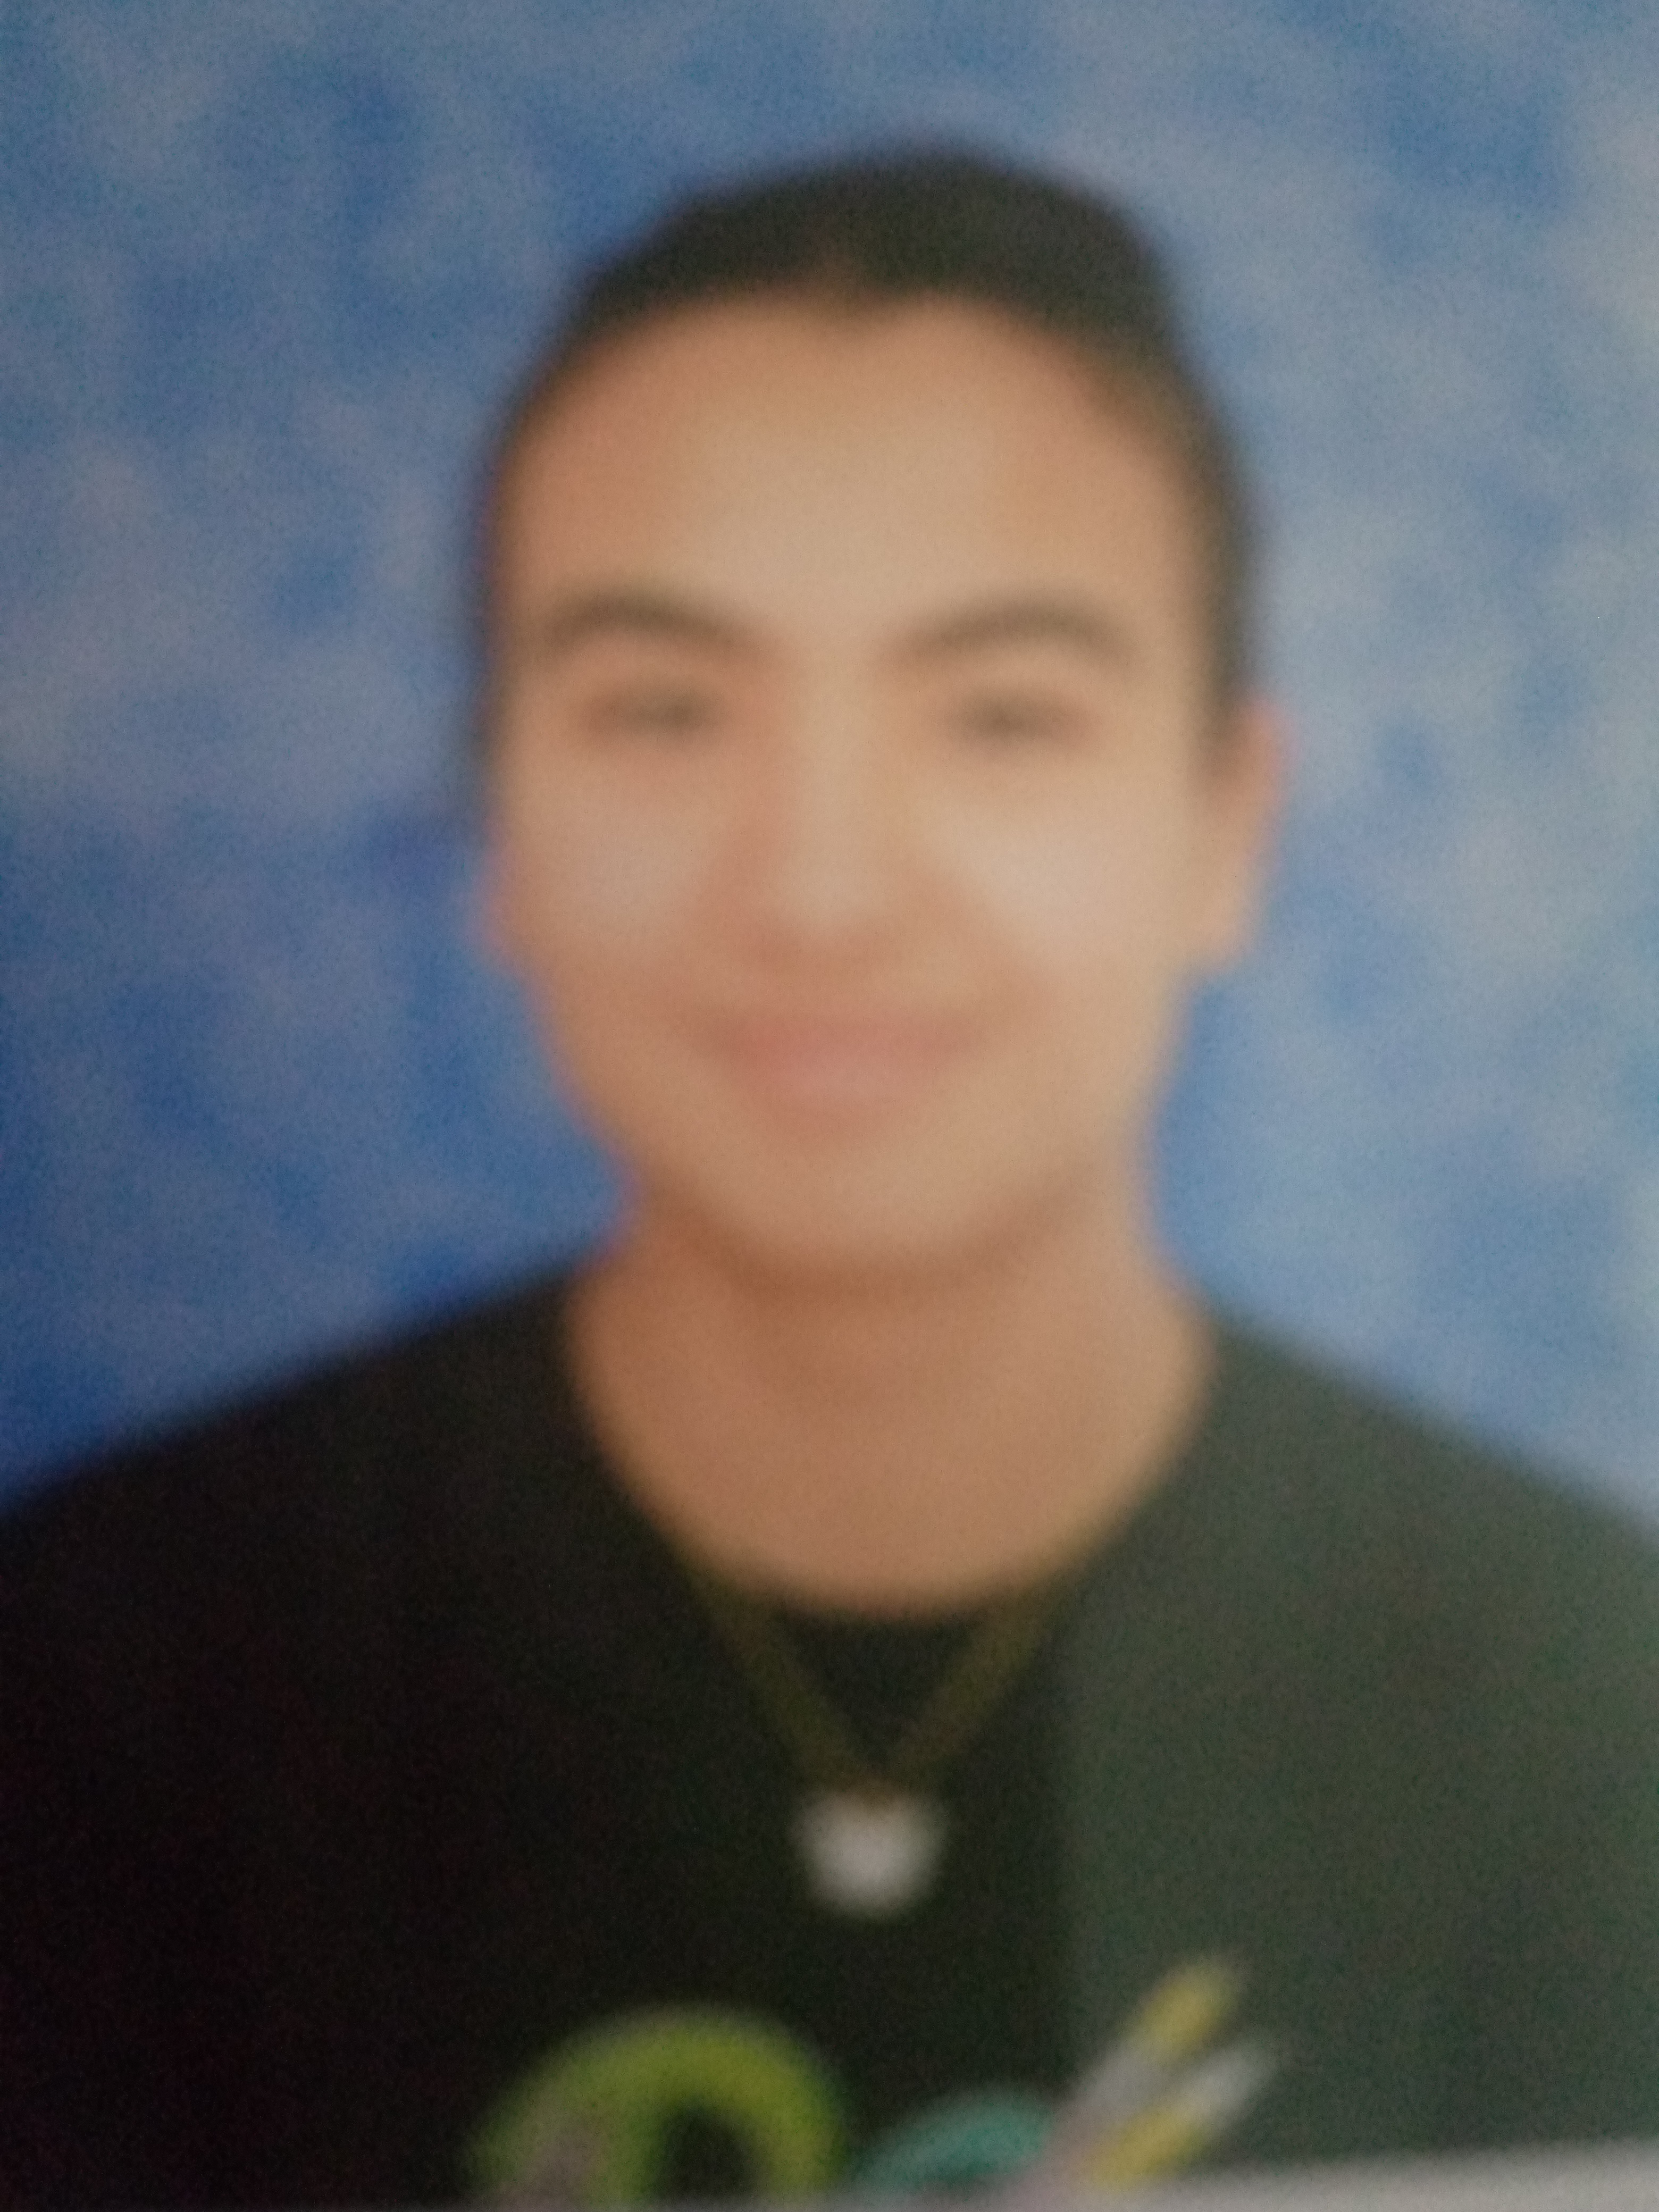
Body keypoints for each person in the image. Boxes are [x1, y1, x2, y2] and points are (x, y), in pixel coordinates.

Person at [3, 149, 1657, 2209]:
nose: (819, 890)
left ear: (1227, 824)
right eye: (665, 710)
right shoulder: (99, 1689)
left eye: (1003, 717)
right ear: (500, 815)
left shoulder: (1595, 1708)